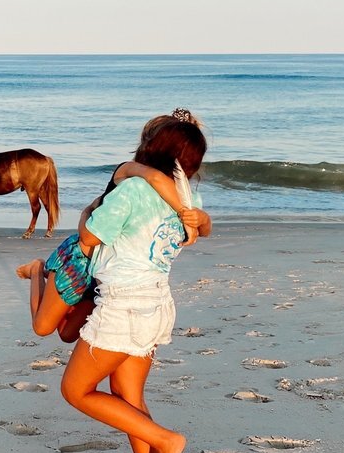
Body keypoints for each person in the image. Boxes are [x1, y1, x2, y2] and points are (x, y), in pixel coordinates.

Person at [60, 118, 210, 453]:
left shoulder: (132, 190)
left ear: (151, 147)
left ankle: (167, 441)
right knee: (128, 398)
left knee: (75, 390)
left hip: (123, 306)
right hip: (156, 304)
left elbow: (89, 238)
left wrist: (88, 209)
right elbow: (198, 230)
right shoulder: (186, 199)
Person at [16, 110, 205, 344]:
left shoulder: (170, 193)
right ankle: (37, 269)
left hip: (103, 270)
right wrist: (185, 215)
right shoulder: (128, 170)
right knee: (42, 327)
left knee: (67, 334)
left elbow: (174, 197)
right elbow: (157, 178)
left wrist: (198, 219)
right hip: (79, 258)